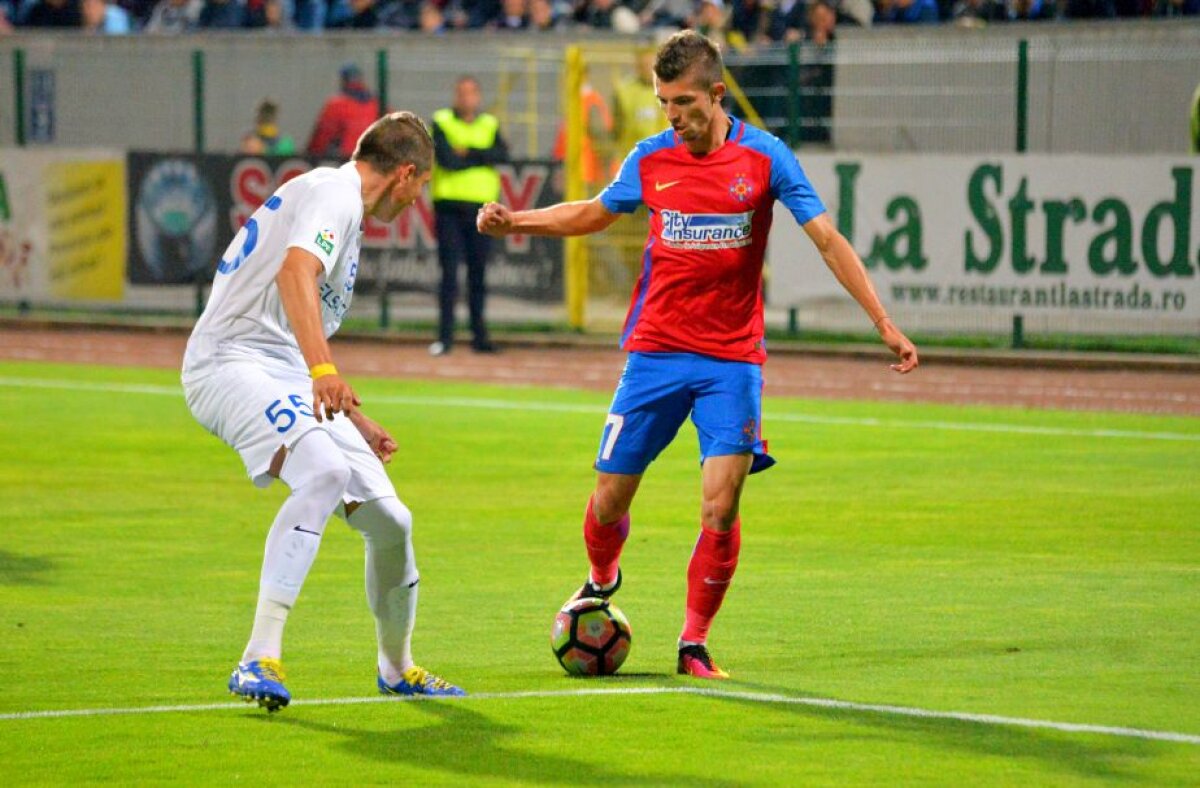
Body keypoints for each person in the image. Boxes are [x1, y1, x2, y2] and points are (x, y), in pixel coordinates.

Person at [478, 31, 918, 680]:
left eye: (683, 103)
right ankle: (603, 576)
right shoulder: (651, 158)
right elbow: (595, 213)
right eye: (663, 104)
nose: (673, 117)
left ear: (716, 94)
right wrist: (518, 222)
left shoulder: (765, 158)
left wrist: (882, 321)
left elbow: (826, 237)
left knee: (721, 503)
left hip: (731, 360)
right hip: (654, 351)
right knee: (607, 500)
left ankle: (693, 642)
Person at [182, 112, 465, 712]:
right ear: (406, 173)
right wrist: (323, 371)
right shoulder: (336, 193)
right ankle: (258, 655)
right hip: (230, 360)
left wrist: (351, 414)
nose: (419, 200)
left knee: (392, 521)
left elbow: (295, 316)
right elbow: (294, 274)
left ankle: (397, 667)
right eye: (422, 186)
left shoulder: (342, 206)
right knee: (324, 473)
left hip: (278, 367)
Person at [429, 76, 509, 356]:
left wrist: (470, 152)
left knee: (478, 275)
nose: (466, 99)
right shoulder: (440, 121)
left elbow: (502, 154)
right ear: (455, 95)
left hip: (482, 211)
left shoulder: (489, 124)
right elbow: (447, 160)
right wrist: (480, 157)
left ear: (478, 96)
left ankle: (479, 337)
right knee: (449, 275)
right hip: (449, 207)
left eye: (471, 93)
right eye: (461, 93)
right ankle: (445, 338)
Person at [306, 64, 379, 159]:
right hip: (374, 162)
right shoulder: (378, 105)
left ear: (343, 81)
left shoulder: (336, 105)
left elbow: (321, 138)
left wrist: (309, 156)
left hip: (345, 160)